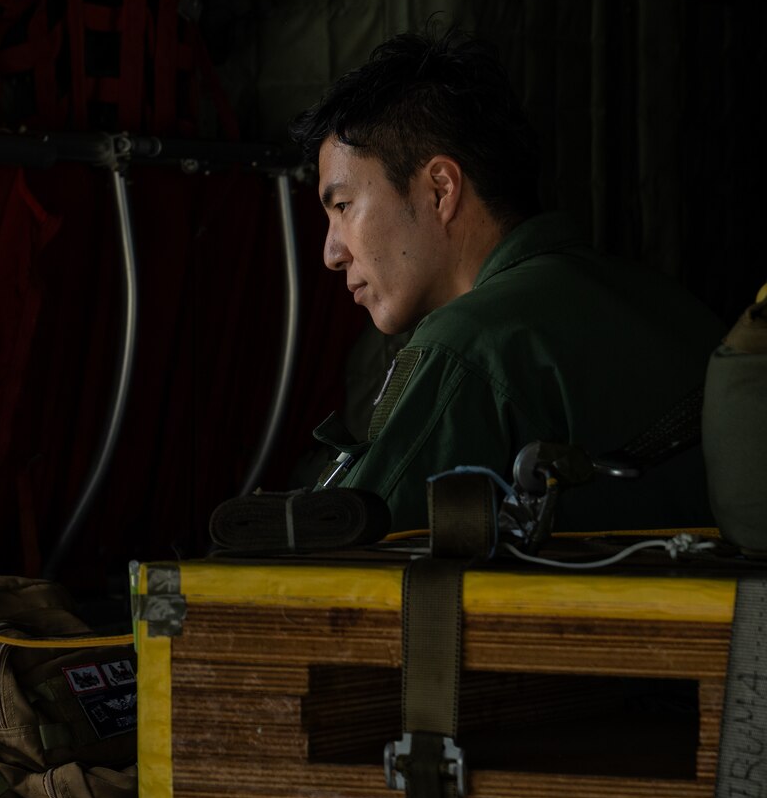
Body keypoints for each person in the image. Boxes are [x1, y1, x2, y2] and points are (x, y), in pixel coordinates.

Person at [291, 30, 724, 532]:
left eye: (343, 207)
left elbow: (342, 545)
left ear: (440, 190)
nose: (332, 254)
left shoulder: (469, 345)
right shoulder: (667, 299)